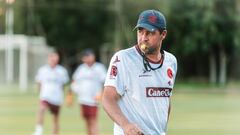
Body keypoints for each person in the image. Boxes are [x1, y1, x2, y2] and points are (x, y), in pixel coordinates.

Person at [102, 9, 177, 135]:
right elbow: (108, 98)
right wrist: (125, 125)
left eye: (150, 33)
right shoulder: (123, 59)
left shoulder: (171, 61)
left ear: (163, 34)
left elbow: (165, 100)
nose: (143, 38)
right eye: (140, 31)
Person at [70, 49, 107, 135]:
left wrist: (101, 94)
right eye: (86, 57)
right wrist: (74, 90)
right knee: (87, 121)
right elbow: (74, 81)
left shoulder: (99, 68)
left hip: (94, 99)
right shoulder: (81, 69)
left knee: (93, 120)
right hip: (83, 99)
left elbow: (105, 82)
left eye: (89, 56)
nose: (88, 58)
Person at [33, 51, 69, 135]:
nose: (53, 59)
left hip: (56, 97)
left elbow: (64, 85)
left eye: (55, 58)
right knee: (41, 109)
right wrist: (40, 93)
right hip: (45, 96)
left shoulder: (61, 71)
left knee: (55, 118)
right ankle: (38, 131)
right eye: (51, 57)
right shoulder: (43, 70)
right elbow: (39, 82)